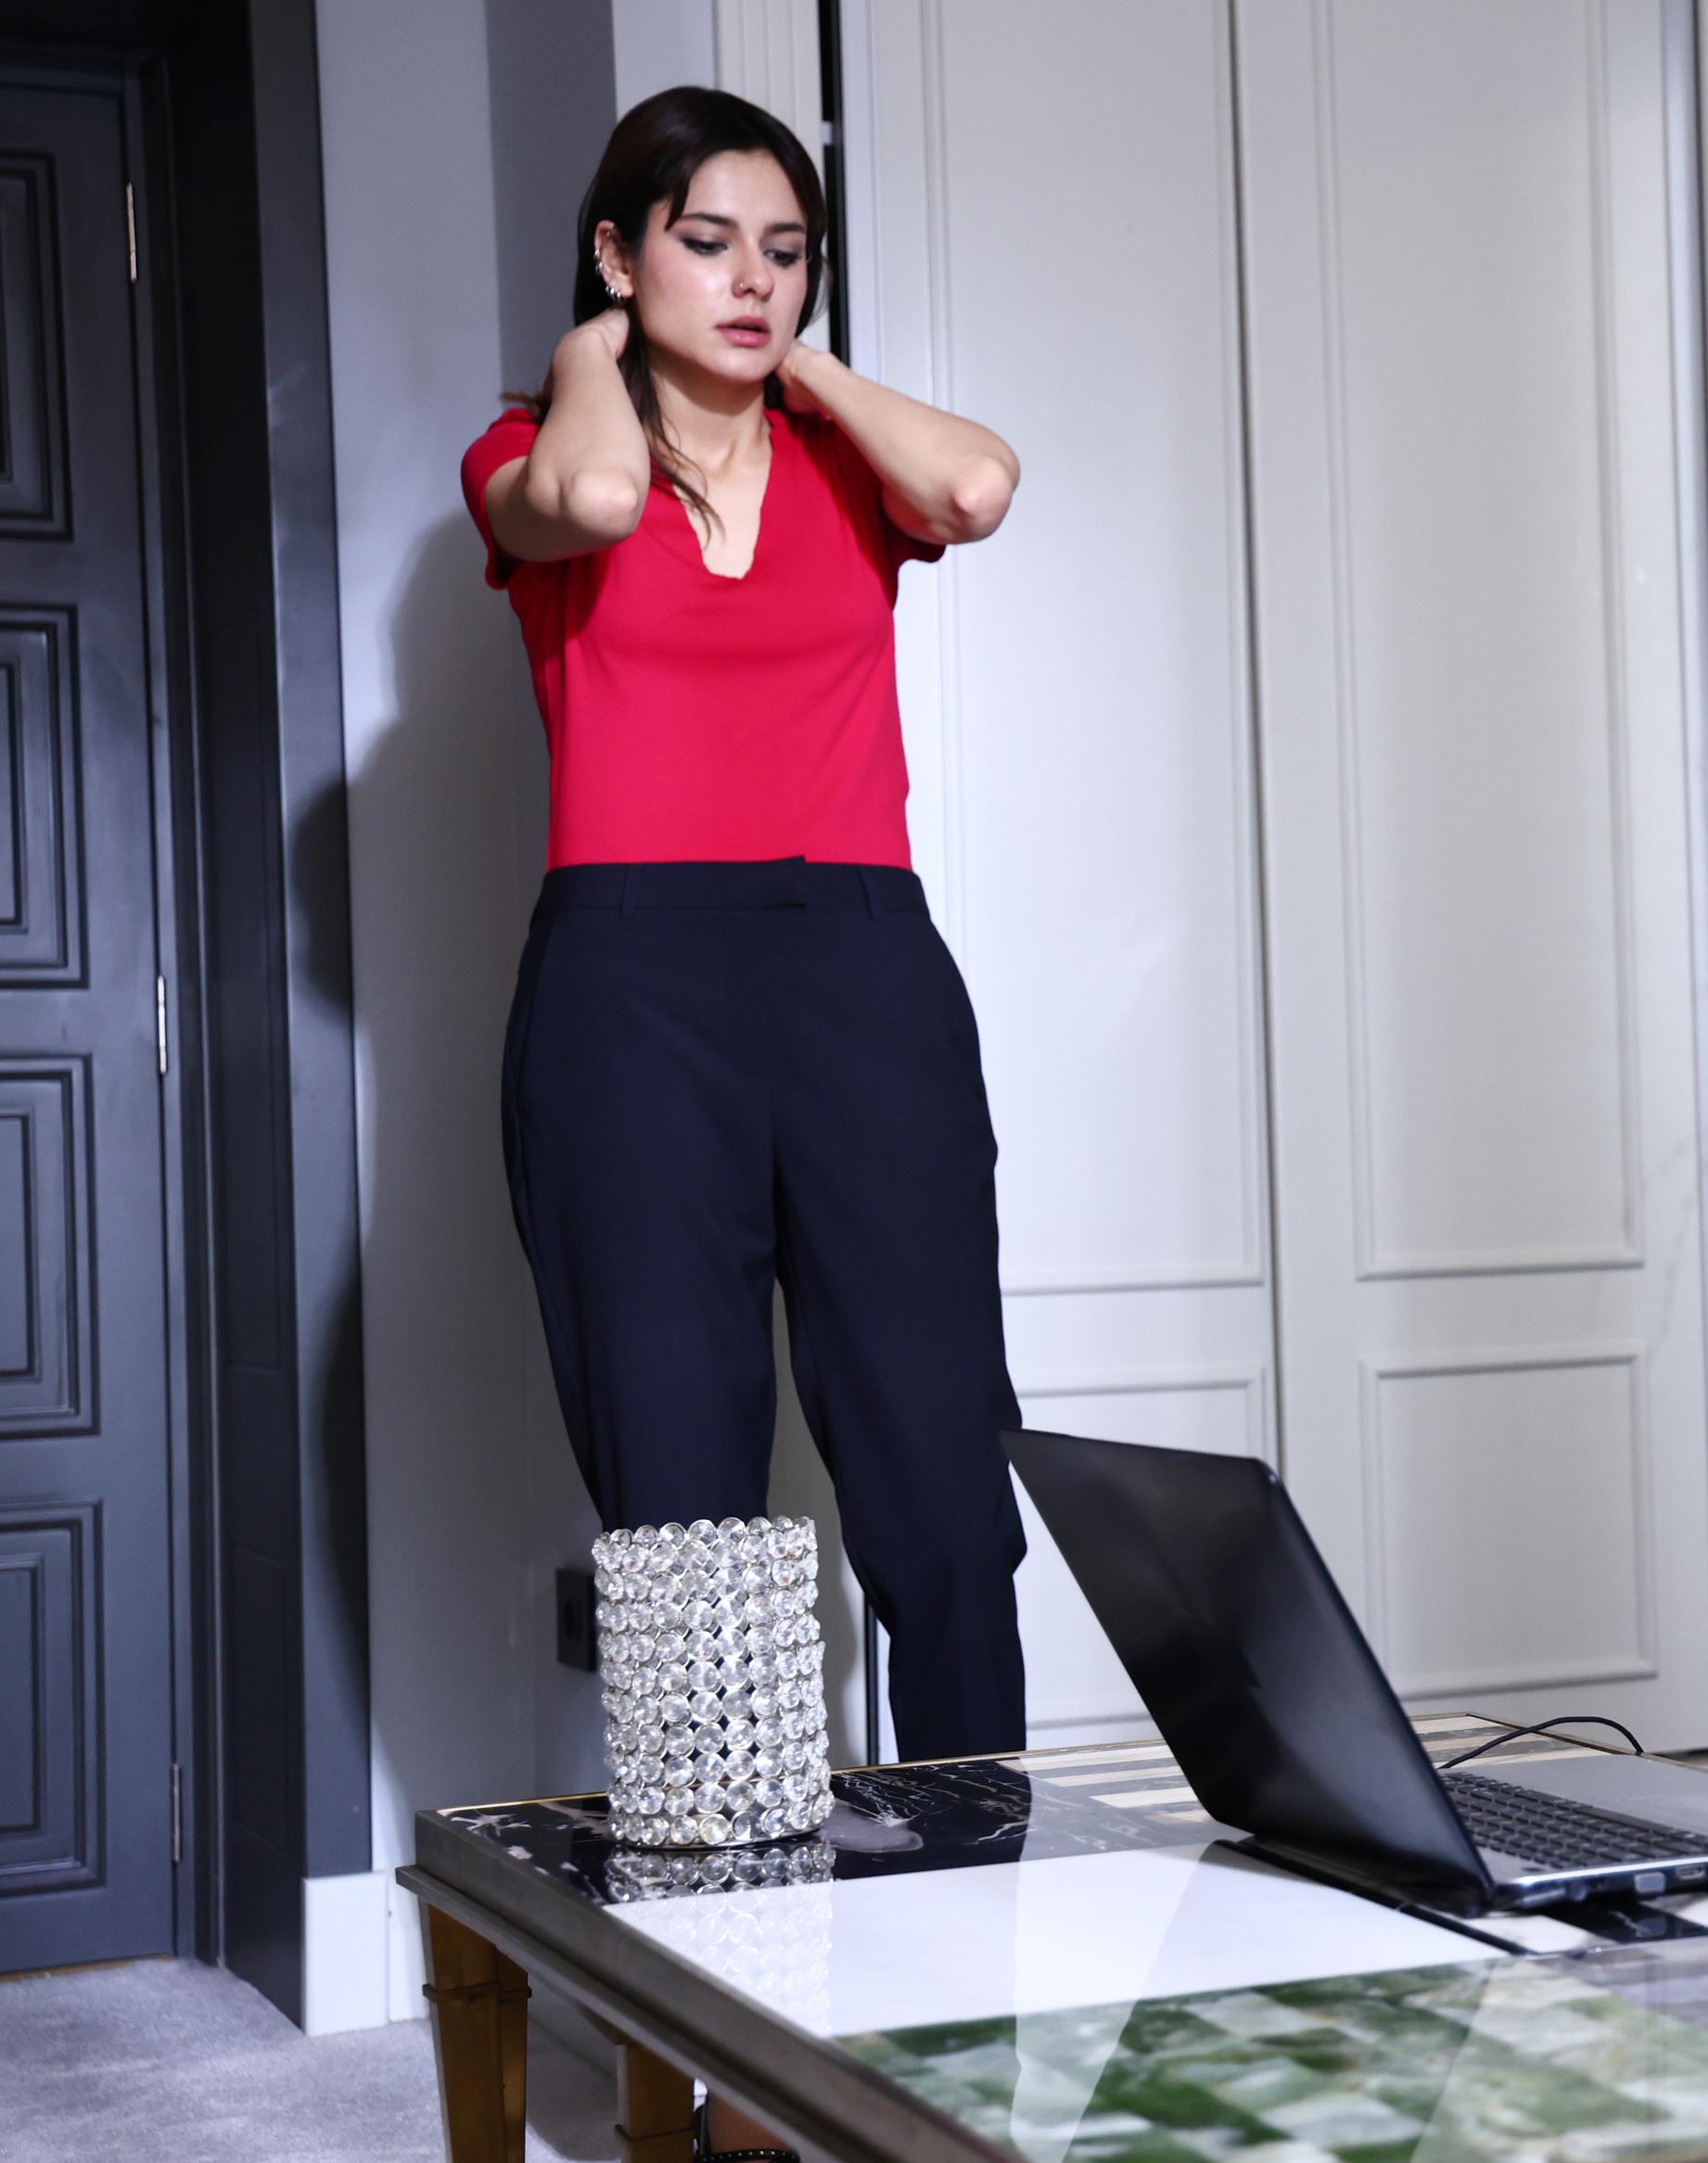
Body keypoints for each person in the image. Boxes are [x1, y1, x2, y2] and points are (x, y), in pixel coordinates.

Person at [461, 89, 1030, 1775]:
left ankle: (983, 1876)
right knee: (682, 1503)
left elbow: (979, 484)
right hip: (632, 992)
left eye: (786, 251)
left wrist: (808, 372)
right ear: (617, 252)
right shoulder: (529, 449)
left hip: (862, 970)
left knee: (940, 1470)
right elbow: (590, 495)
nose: (753, 278)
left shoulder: (850, 464)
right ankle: (723, 1908)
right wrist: (595, 350)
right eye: (706, 242)